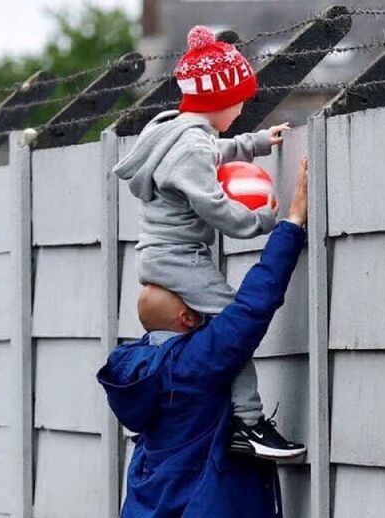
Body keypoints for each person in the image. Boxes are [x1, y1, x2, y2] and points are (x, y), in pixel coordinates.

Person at [111, 23, 303, 459]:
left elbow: (214, 150)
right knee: (234, 327)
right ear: (219, 100)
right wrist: (262, 220)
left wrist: (255, 143)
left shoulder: (176, 132)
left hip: (162, 255)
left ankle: (167, 411)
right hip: (179, 258)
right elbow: (215, 207)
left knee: (196, 336)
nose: (241, 109)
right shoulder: (192, 148)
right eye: (238, 101)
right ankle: (249, 423)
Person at [97, 158, 309, 517]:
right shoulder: (192, 362)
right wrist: (290, 225)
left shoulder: (138, 369)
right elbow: (251, 308)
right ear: (186, 316)